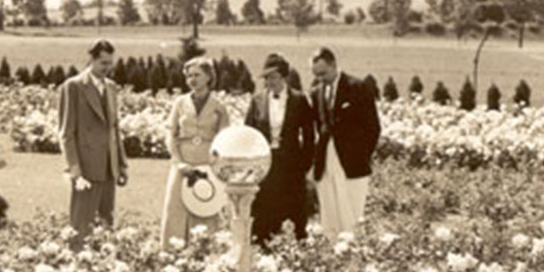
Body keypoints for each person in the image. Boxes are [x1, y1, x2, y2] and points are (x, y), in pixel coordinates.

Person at [59, 39, 129, 242]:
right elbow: (66, 133)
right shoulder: (73, 86)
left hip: (109, 166)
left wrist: (121, 164)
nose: (107, 68)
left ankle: (103, 260)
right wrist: (75, 170)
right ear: (91, 59)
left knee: (106, 225)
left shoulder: (111, 87)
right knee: (82, 225)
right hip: (86, 167)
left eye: (110, 63)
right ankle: (77, 259)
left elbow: (114, 128)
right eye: (103, 63)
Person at [244, 52, 315, 247]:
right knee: (265, 207)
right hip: (264, 164)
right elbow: (249, 132)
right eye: (266, 78)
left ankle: (295, 247)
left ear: (284, 76)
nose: (270, 82)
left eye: (274, 77)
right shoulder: (257, 100)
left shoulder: (299, 100)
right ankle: (262, 246)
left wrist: (304, 164)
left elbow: (309, 136)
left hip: (291, 165)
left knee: (293, 207)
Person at [309, 47, 380, 238]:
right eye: (316, 75)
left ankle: (353, 250)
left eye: (323, 73)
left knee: (352, 213)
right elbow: (319, 128)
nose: (320, 79)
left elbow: (373, 128)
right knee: (329, 213)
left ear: (334, 65)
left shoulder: (358, 88)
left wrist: (361, 155)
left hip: (352, 163)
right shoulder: (316, 93)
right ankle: (331, 247)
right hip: (325, 162)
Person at [159, 56, 230, 247]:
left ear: (209, 77)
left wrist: (214, 165)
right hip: (182, 164)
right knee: (176, 209)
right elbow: (170, 134)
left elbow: (225, 140)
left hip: (207, 166)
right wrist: (178, 162)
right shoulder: (180, 103)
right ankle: (172, 252)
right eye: (189, 76)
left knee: (206, 208)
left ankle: (203, 252)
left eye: (197, 75)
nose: (192, 80)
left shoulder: (219, 107)